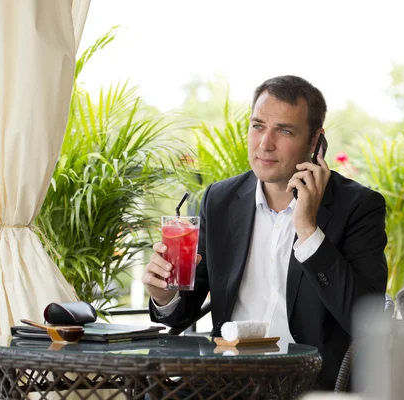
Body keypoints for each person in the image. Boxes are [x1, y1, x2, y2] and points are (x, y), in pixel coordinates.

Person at [143, 75, 388, 390]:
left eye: (284, 130)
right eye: (258, 126)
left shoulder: (358, 206)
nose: (265, 144)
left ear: (315, 142)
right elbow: (183, 310)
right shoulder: (220, 199)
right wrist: (165, 296)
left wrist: (308, 229)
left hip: (310, 383)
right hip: (227, 380)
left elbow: (364, 319)